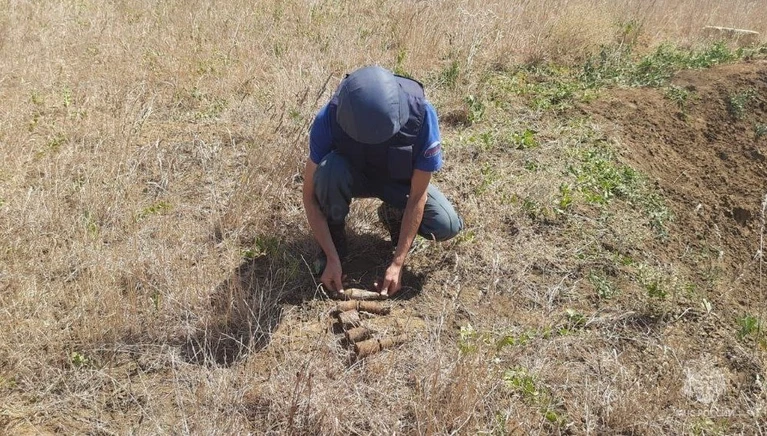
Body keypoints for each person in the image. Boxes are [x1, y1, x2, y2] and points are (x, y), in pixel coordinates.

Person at [302, 65, 463, 297]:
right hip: (353, 177)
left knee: (446, 224)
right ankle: (336, 240)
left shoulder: (422, 115)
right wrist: (331, 257)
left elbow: (418, 196)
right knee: (328, 171)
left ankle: (394, 213)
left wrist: (398, 262)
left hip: (396, 183)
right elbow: (309, 196)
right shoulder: (329, 117)